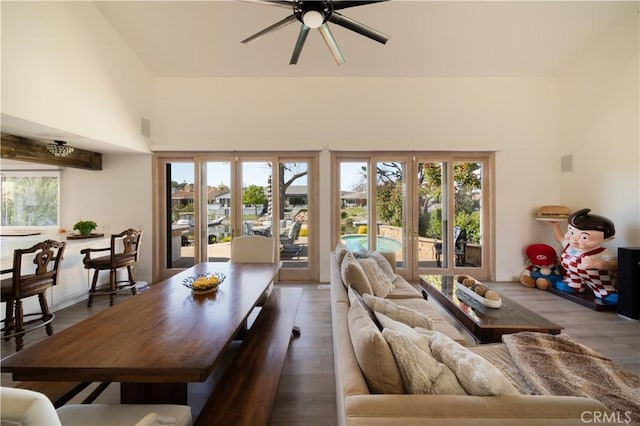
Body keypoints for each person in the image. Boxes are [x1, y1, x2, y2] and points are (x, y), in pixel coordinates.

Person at [547, 208, 618, 303]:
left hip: (597, 280)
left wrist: (597, 264)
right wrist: (555, 226)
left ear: (608, 239)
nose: (574, 239)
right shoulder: (569, 245)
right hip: (574, 275)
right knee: (573, 279)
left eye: (584, 237)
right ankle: (573, 286)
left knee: (602, 286)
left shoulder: (602, 252)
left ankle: (605, 292)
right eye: (572, 232)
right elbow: (559, 238)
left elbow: (614, 264)